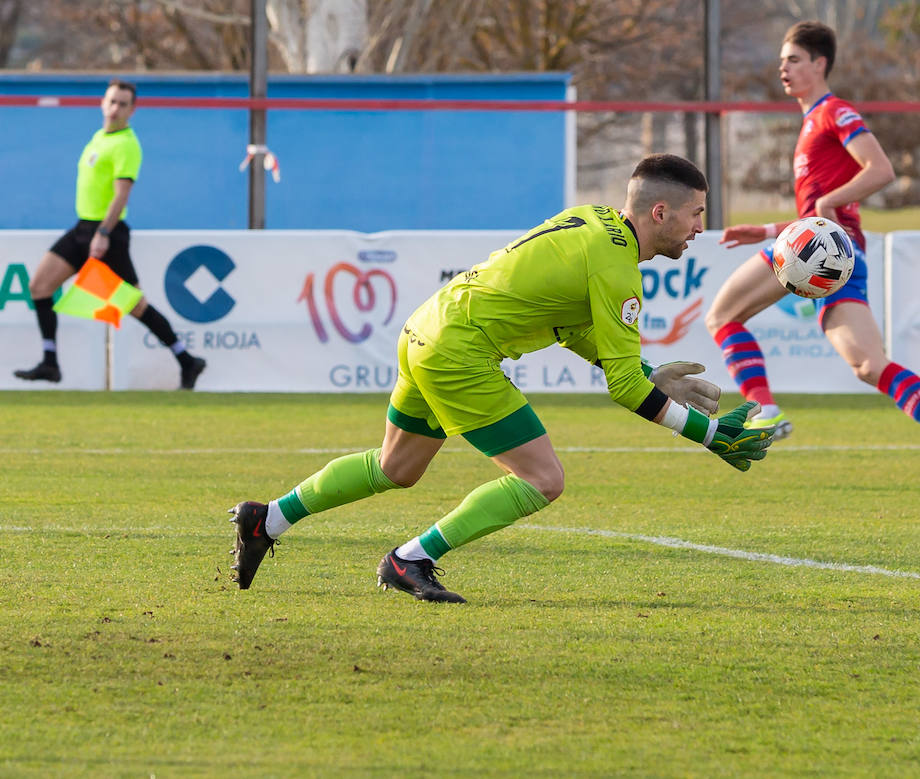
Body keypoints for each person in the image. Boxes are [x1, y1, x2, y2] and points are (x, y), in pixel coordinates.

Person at [227, 153, 772, 603]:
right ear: (661, 212)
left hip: (426, 328)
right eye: (697, 214)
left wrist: (648, 370)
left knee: (395, 467)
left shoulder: (591, 221)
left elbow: (567, 324)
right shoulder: (618, 268)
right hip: (460, 353)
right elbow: (624, 388)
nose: (701, 227)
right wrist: (709, 433)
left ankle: (267, 519)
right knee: (543, 480)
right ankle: (409, 561)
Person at [704, 20, 920, 490]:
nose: (783, 68)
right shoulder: (812, 119)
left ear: (820, 63)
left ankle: (764, 410)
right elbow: (816, 211)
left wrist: (831, 205)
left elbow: (881, 170)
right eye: (780, 61)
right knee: (868, 365)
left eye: (793, 59)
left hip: (824, 249)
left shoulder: (834, 111)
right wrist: (772, 228)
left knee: (722, 315)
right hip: (824, 248)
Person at [14, 78, 207, 390]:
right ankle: (50, 363)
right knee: (39, 286)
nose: (115, 108)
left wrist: (103, 232)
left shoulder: (127, 144)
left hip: (107, 233)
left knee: (135, 306)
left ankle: (187, 360)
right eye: (111, 101)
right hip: (81, 228)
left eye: (122, 103)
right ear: (102, 103)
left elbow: (121, 194)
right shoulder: (98, 138)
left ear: (133, 110)